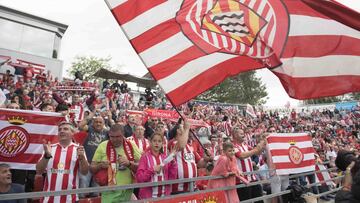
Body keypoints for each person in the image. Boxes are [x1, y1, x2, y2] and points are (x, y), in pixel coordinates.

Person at [35, 122, 89, 203]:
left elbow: (84, 172)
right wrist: (46, 156)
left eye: (65, 129)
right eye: (59, 130)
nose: (62, 131)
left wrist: (82, 158)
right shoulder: (50, 148)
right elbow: (39, 171)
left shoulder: (78, 149)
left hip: (71, 199)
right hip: (48, 199)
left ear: (72, 133)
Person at [90, 124, 141, 202]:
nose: (114, 139)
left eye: (118, 137)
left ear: (123, 135)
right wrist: (100, 165)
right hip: (109, 192)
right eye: (112, 137)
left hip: (127, 192)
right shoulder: (103, 146)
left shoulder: (131, 145)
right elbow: (91, 169)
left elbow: (141, 168)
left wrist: (129, 164)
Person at [136, 133, 177, 199]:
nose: (157, 143)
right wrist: (152, 169)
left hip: (164, 198)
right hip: (148, 198)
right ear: (150, 142)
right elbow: (139, 178)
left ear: (162, 143)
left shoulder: (165, 158)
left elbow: (172, 178)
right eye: (154, 141)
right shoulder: (144, 157)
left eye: (159, 141)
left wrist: (173, 162)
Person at [232, 126, 265, 203]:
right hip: (242, 180)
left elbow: (257, 152)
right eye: (241, 133)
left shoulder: (245, 145)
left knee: (259, 200)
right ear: (235, 135)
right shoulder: (232, 146)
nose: (244, 135)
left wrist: (262, 142)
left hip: (252, 178)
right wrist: (255, 150)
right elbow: (241, 156)